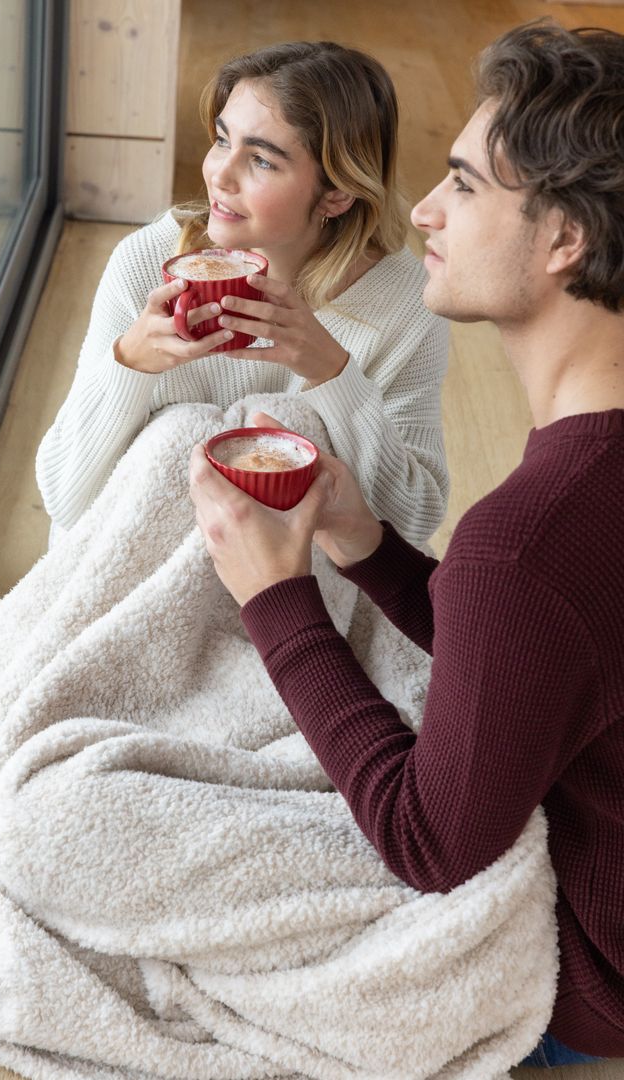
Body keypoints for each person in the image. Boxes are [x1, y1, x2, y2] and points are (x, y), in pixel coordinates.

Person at [189, 20, 624, 1068]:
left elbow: (430, 846)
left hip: (593, 977)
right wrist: (366, 542)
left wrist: (273, 596)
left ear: (566, 239)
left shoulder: (527, 537)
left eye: (465, 186)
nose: (423, 209)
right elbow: (543, 655)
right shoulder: (572, 502)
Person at [35, 41, 448, 547]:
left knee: (297, 430)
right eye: (221, 140)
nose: (219, 175)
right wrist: (129, 364)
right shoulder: (147, 264)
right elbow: (64, 495)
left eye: (262, 161)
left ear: (337, 193)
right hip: (144, 569)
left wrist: (334, 375)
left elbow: (412, 524)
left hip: (288, 590)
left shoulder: (404, 303)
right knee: (179, 432)